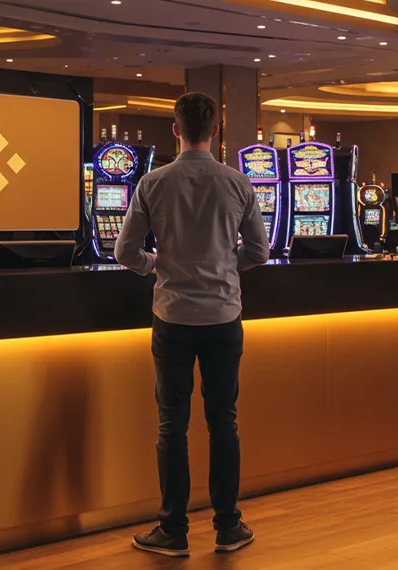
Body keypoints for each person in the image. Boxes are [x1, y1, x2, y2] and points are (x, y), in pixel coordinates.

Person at [115, 92, 270, 557]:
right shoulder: (238, 183)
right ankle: (228, 528)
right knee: (224, 422)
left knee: (171, 427)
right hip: (224, 316)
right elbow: (259, 252)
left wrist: (158, 266)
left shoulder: (153, 182)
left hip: (173, 317)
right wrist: (223, 264)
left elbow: (124, 252)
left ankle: (173, 531)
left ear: (175, 128)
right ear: (216, 130)